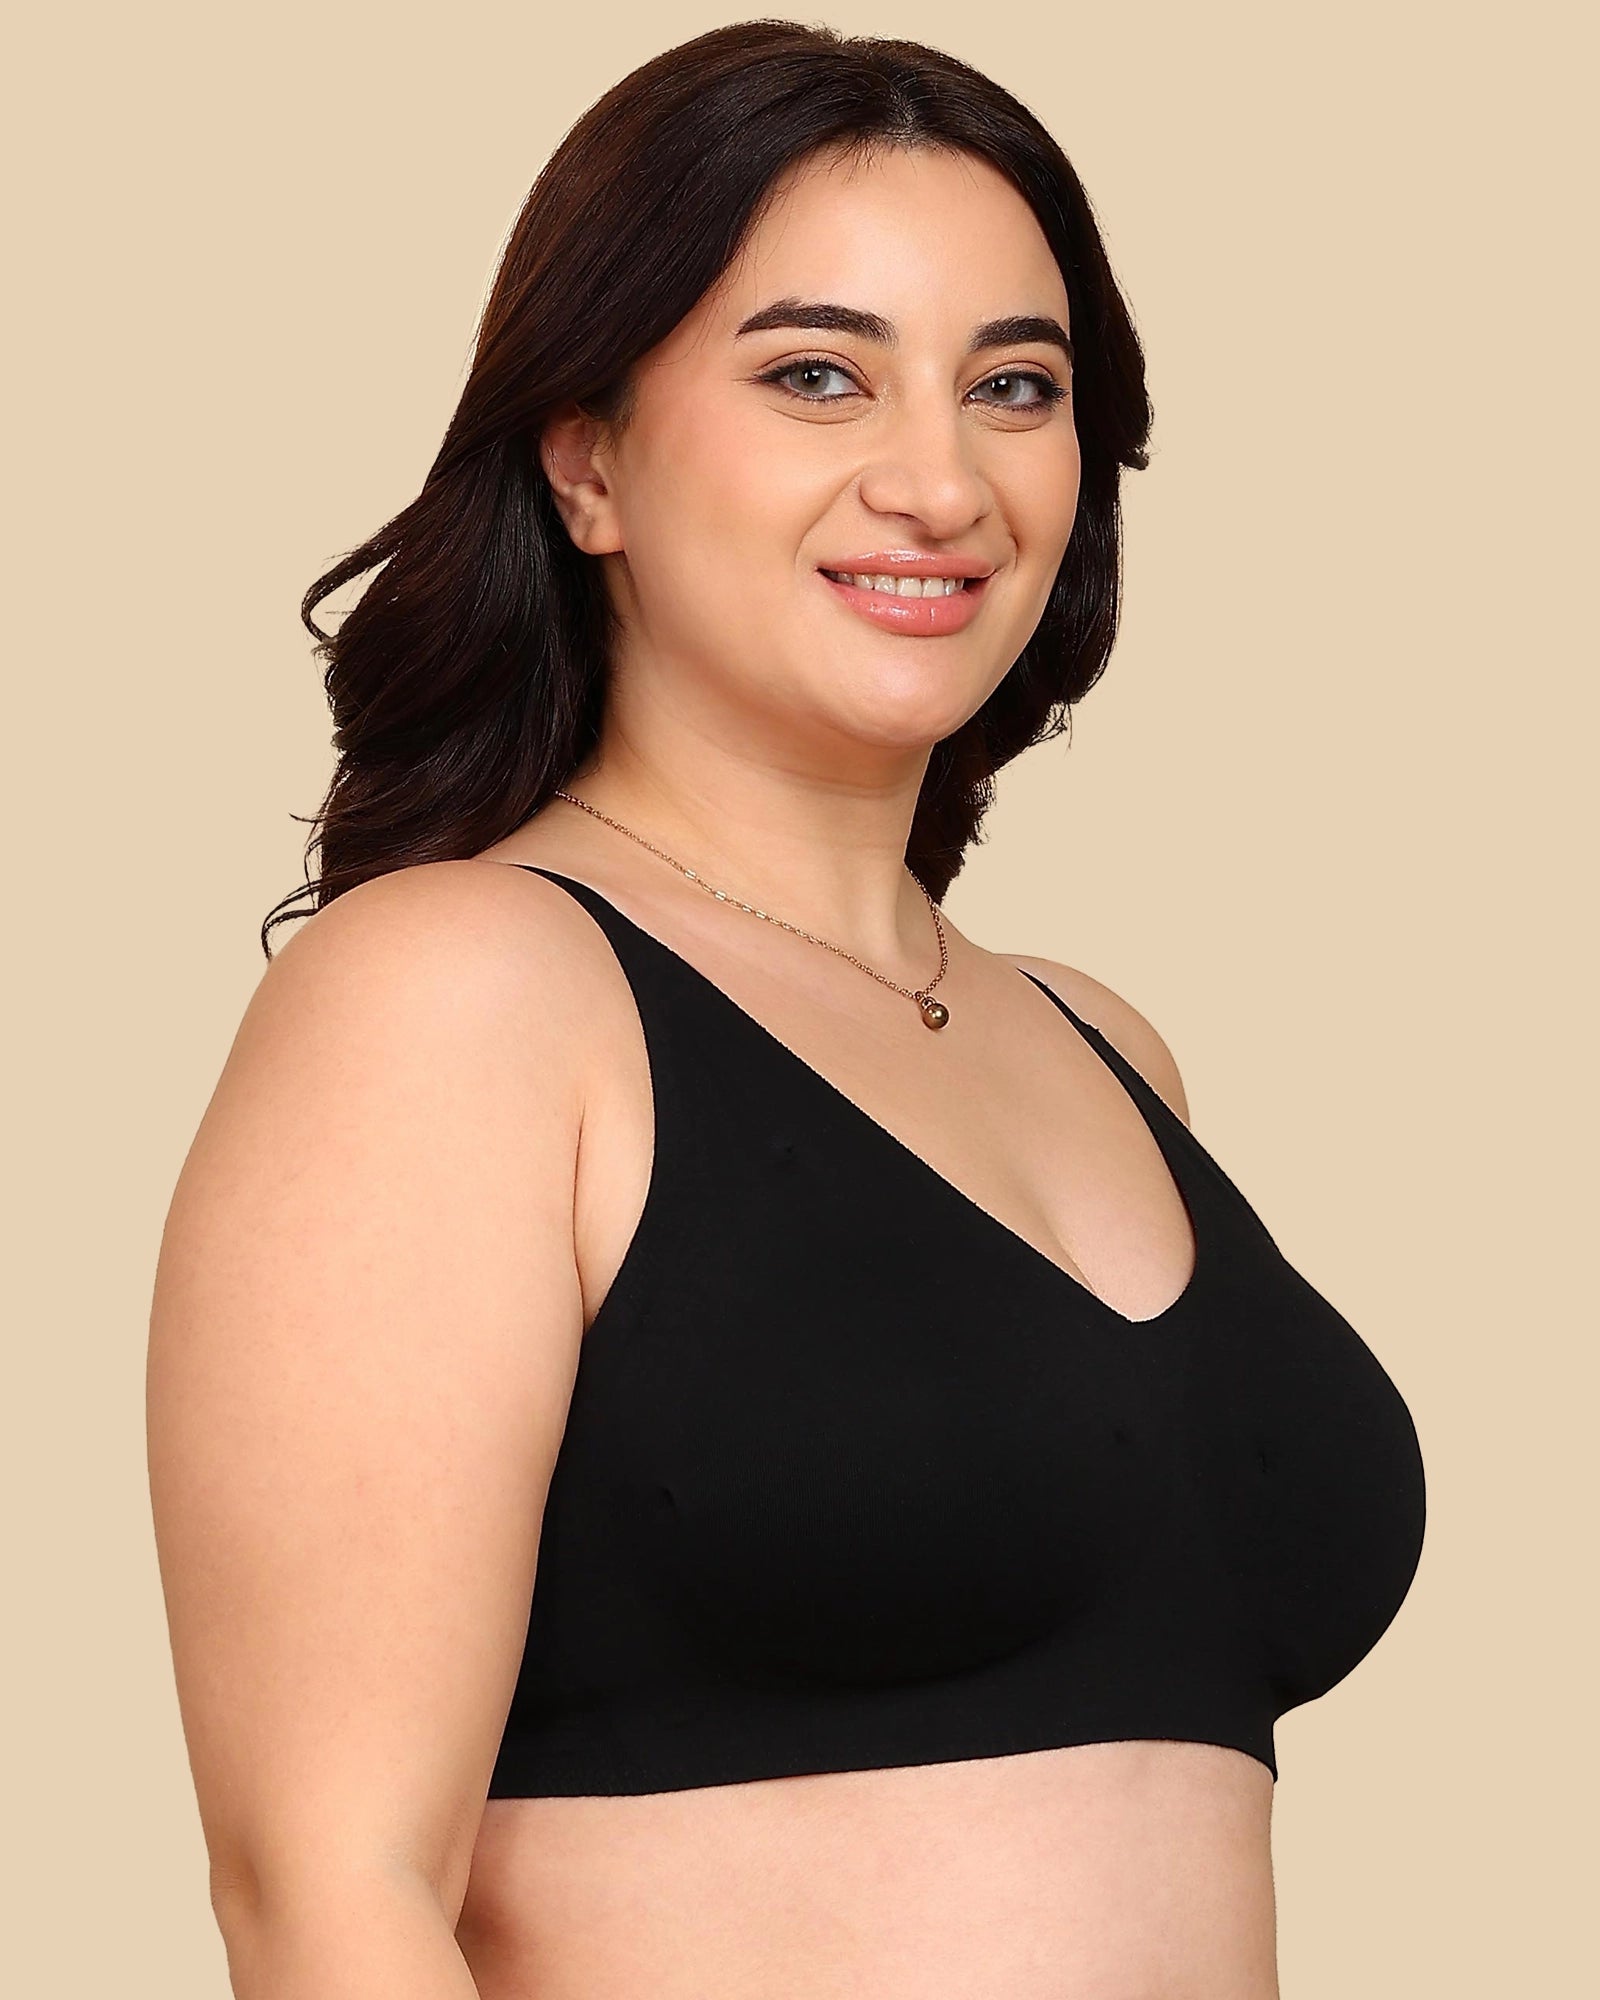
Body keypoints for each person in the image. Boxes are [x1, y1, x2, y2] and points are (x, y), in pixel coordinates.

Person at [146, 22, 1426, 2000]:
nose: (938, 480)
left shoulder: (1103, 1049)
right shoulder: (461, 994)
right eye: (816, 373)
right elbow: (323, 1893)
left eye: (1014, 386)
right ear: (587, 461)